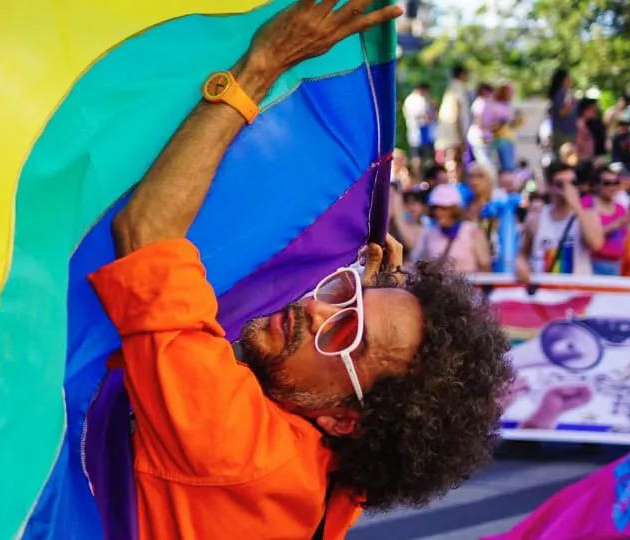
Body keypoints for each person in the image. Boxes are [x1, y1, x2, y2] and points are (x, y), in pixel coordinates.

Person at [91, 3, 513, 538]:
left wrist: (264, 64)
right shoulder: (342, 472)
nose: (315, 307)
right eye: (344, 295)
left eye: (346, 331)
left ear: (345, 420)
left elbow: (145, 234)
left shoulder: (243, 450)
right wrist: (370, 295)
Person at [516, 162, 604, 280]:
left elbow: (596, 244)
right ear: (549, 186)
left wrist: (577, 206)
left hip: (577, 289)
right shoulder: (535, 219)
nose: (568, 189)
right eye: (560, 184)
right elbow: (522, 254)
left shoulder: (588, 215)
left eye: (573, 183)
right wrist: (521, 265)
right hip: (545, 289)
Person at [410, 184, 491, 272]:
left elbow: (485, 267)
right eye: (435, 208)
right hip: (438, 280)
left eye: (443, 208)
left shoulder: (472, 231)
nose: (438, 213)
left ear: (454, 209)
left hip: (469, 280)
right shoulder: (428, 234)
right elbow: (417, 264)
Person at [582, 165, 630, 275]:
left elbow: (625, 239)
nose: (612, 187)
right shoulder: (587, 203)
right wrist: (615, 225)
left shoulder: (621, 208)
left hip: (617, 265)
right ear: (597, 185)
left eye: (616, 183)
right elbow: (588, 237)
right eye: (607, 183)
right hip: (593, 264)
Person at [435, 64, 470, 180]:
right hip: (454, 136)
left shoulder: (451, 88)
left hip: (448, 135)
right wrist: (462, 136)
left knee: (452, 161)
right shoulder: (457, 89)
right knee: (454, 162)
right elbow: (457, 115)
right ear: (462, 74)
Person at [402, 83, 435, 174]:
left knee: (425, 157)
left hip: (424, 134)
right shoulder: (412, 100)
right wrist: (428, 116)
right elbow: (419, 115)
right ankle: (418, 175)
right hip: (417, 133)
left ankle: (423, 175)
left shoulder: (422, 99)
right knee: (417, 157)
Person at [489, 82, 521, 172]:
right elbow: (494, 125)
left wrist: (517, 120)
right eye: (510, 92)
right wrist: (502, 121)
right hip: (501, 139)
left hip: (508, 138)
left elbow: (510, 124)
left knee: (509, 166)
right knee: (507, 166)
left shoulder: (507, 105)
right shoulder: (496, 106)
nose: (512, 95)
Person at [548, 68, 577, 156]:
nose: (570, 80)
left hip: (568, 132)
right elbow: (562, 112)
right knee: (563, 158)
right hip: (563, 133)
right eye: (568, 78)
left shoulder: (566, 93)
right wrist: (570, 105)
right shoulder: (560, 94)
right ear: (562, 80)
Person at [468, 83, 496, 171]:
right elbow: (478, 122)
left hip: (484, 136)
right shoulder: (480, 103)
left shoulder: (485, 103)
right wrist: (492, 126)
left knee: (484, 160)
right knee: (484, 162)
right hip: (480, 136)